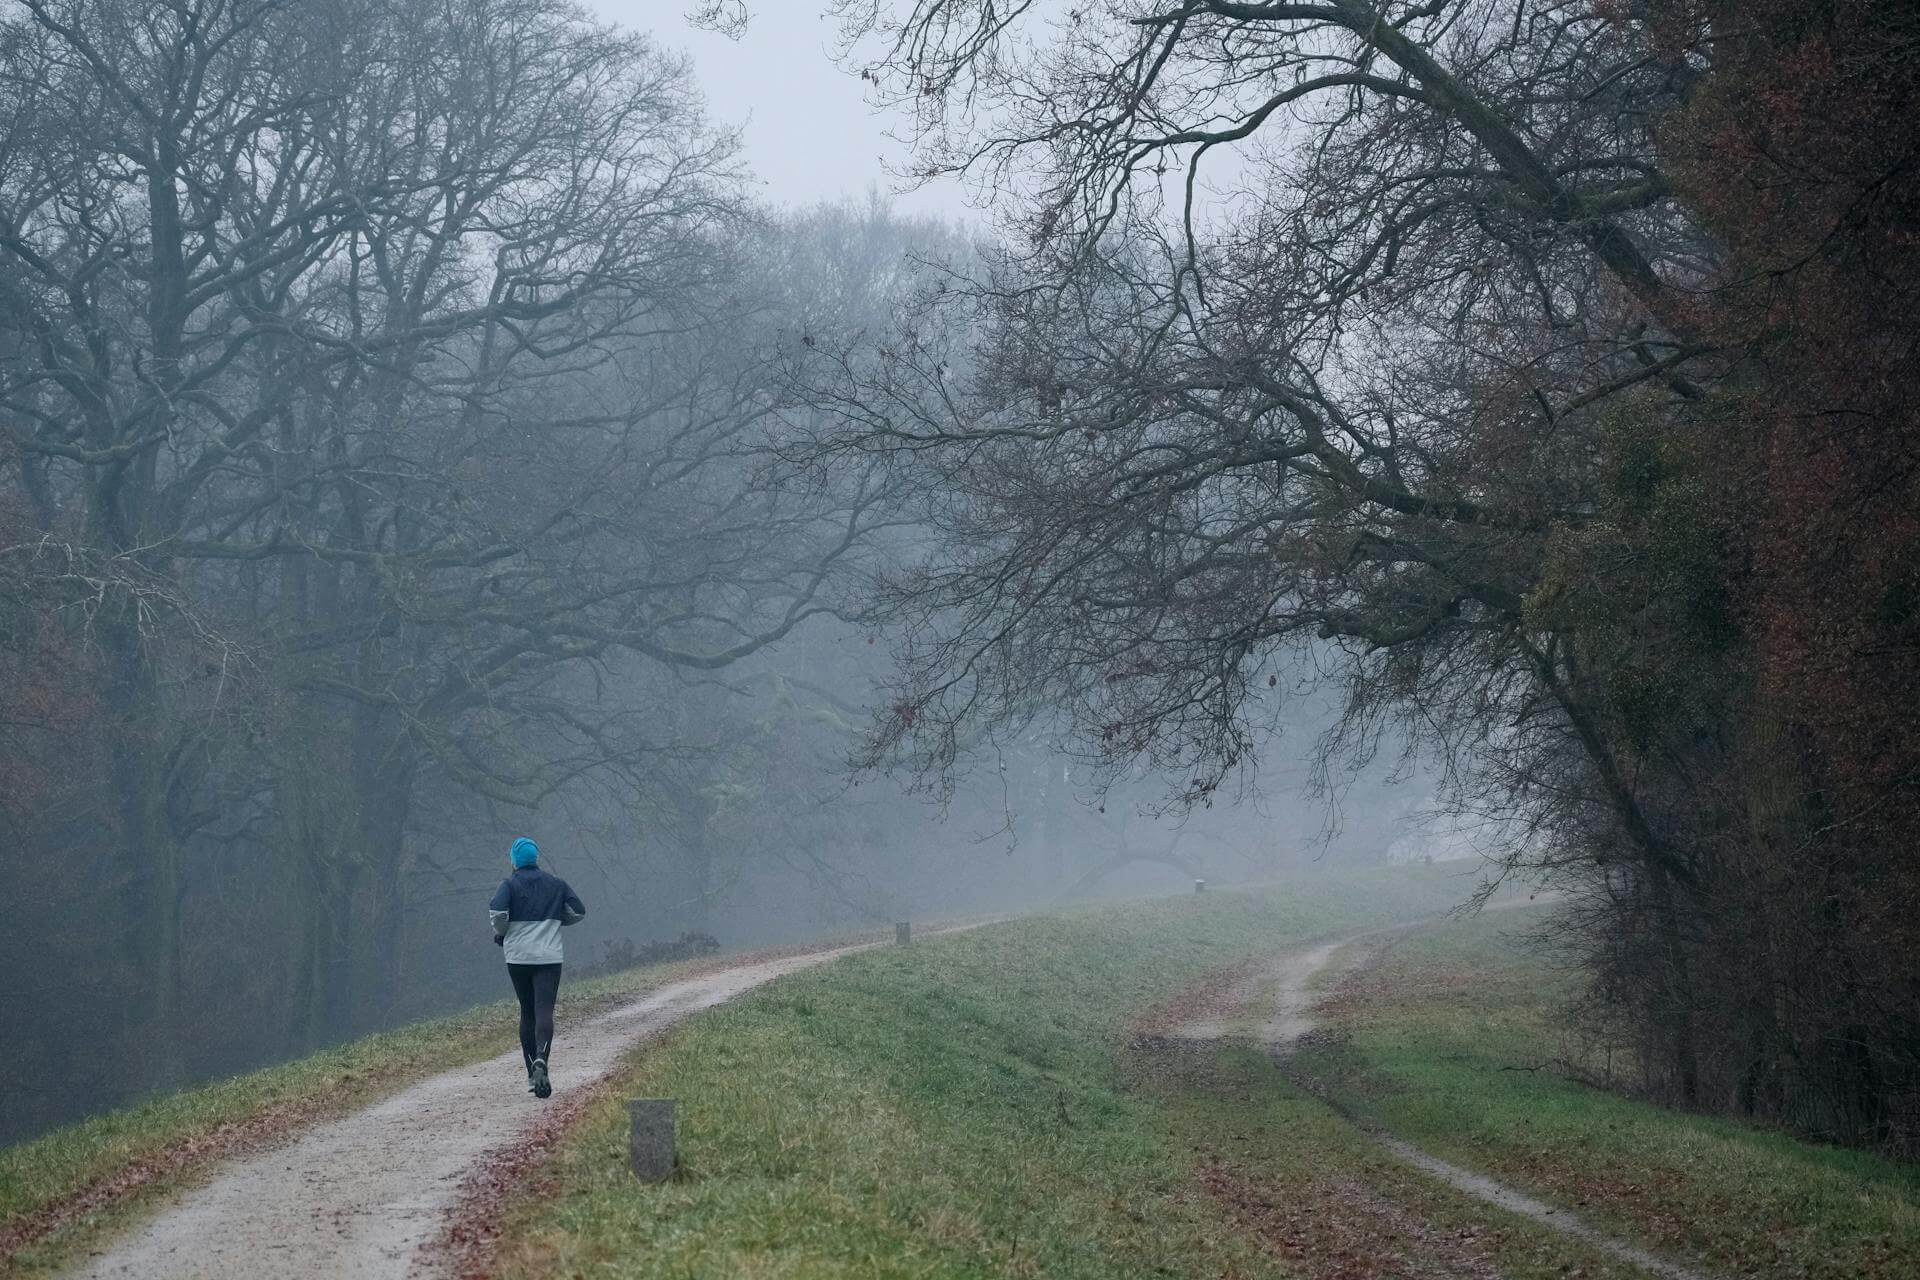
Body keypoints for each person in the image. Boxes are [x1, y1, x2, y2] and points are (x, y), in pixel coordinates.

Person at [488, 837, 586, 1098]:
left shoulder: (508, 884)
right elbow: (578, 911)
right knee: (544, 1011)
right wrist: (555, 921)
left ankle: (532, 1074)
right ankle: (542, 1057)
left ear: (514, 861)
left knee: (527, 1012)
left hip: (518, 958)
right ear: (535, 858)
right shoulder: (556, 884)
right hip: (549, 957)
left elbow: (497, 914)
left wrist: (504, 932)